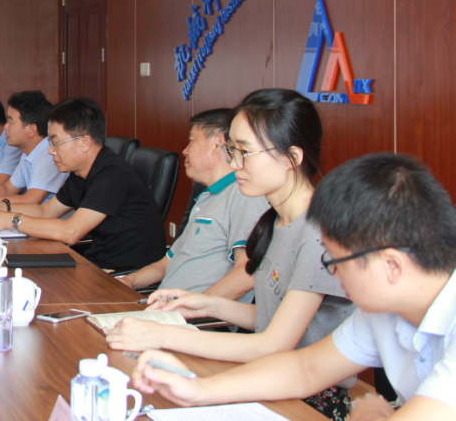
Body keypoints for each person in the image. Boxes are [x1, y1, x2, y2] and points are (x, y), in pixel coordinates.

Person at [130, 153, 456, 421]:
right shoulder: (382, 309)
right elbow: (306, 368)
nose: (332, 272)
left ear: (392, 265)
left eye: (337, 261)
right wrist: (200, 390)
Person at [107, 88, 355, 420]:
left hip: (308, 400)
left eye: (245, 152)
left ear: (292, 157)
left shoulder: (317, 233)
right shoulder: (276, 220)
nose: (234, 163)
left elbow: (273, 343)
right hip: (269, 375)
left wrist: (162, 334)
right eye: (232, 150)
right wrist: (207, 304)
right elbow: (271, 318)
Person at [0, 96, 165, 272]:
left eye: (56, 143)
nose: (51, 151)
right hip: (95, 261)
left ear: (84, 143)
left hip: (122, 274)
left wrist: (8, 220)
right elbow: (45, 211)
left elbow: (70, 232)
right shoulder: (81, 171)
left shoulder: (110, 175)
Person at [116, 108, 268, 301]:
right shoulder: (206, 198)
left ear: (217, 144)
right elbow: (165, 264)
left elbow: (247, 272)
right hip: (161, 308)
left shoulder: (243, 195)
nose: (185, 150)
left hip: (193, 315)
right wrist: (129, 281)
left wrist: (191, 307)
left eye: (191, 140)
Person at [0, 90, 68, 206]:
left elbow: (30, 200)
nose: (5, 127)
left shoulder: (48, 154)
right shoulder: (28, 153)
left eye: (10, 122)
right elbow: (7, 189)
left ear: (31, 129)